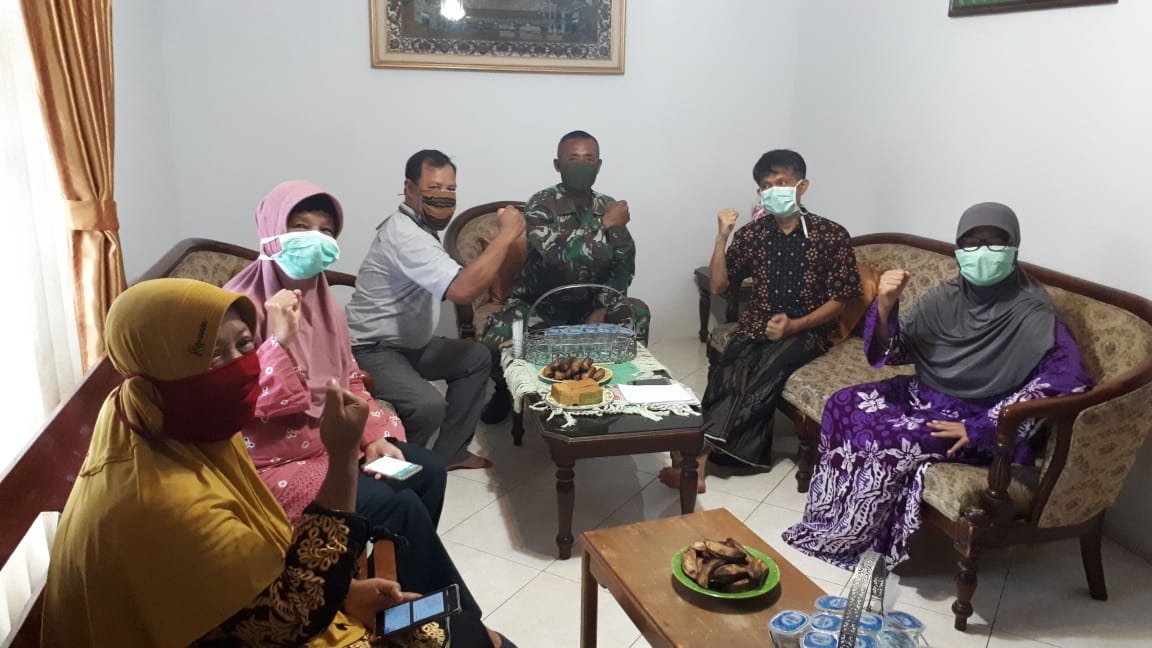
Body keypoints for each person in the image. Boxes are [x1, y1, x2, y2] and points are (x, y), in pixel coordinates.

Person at [42, 278, 418, 646]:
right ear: (158, 367)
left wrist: (344, 593)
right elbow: (290, 620)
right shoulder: (161, 499)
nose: (240, 368)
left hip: (250, 611)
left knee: (423, 625)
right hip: (274, 622)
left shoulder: (156, 415)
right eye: (213, 357)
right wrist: (342, 456)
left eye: (244, 345)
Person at [782, 202, 1092, 570]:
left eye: (995, 242)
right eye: (972, 243)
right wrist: (885, 306)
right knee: (842, 403)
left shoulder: (1032, 310)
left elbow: (1068, 381)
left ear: (1014, 247)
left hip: (972, 419)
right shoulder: (946, 297)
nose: (982, 252)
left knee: (886, 438)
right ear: (959, 249)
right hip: (925, 393)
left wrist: (984, 427)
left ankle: (860, 538)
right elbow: (897, 351)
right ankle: (831, 516)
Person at [224, 180, 448, 527]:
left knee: (429, 472)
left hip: (335, 444)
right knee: (397, 504)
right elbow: (237, 403)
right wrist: (279, 342)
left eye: (325, 231)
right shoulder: (235, 311)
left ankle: (395, 558)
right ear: (271, 231)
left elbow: (350, 380)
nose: (314, 239)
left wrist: (373, 437)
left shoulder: (327, 308)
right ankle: (349, 558)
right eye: (300, 227)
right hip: (275, 462)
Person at [659, 149, 861, 493]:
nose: (773, 191)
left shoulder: (830, 235)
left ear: (802, 186)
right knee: (729, 369)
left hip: (807, 331)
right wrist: (721, 237)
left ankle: (697, 460)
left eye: (781, 183)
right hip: (756, 324)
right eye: (766, 186)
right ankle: (709, 449)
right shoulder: (753, 234)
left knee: (763, 370)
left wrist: (795, 325)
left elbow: (840, 300)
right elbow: (719, 286)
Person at [346, 150, 525, 470]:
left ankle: (451, 453)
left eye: (450, 189)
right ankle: (386, 468)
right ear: (410, 188)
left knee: (476, 357)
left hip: (410, 344)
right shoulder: (406, 235)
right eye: (434, 188)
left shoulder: (420, 230)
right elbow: (462, 290)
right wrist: (508, 234)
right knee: (427, 407)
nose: (444, 197)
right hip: (372, 347)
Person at [479, 130, 649, 423]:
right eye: (573, 159)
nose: (581, 165)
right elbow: (556, 256)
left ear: (599, 165)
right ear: (558, 165)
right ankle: (504, 391)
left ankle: (619, 388)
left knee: (637, 313)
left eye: (588, 159)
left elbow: (623, 264)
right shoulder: (541, 204)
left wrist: (601, 307)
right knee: (496, 338)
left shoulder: (607, 205)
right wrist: (604, 225)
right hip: (539, 305)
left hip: (589, 304)